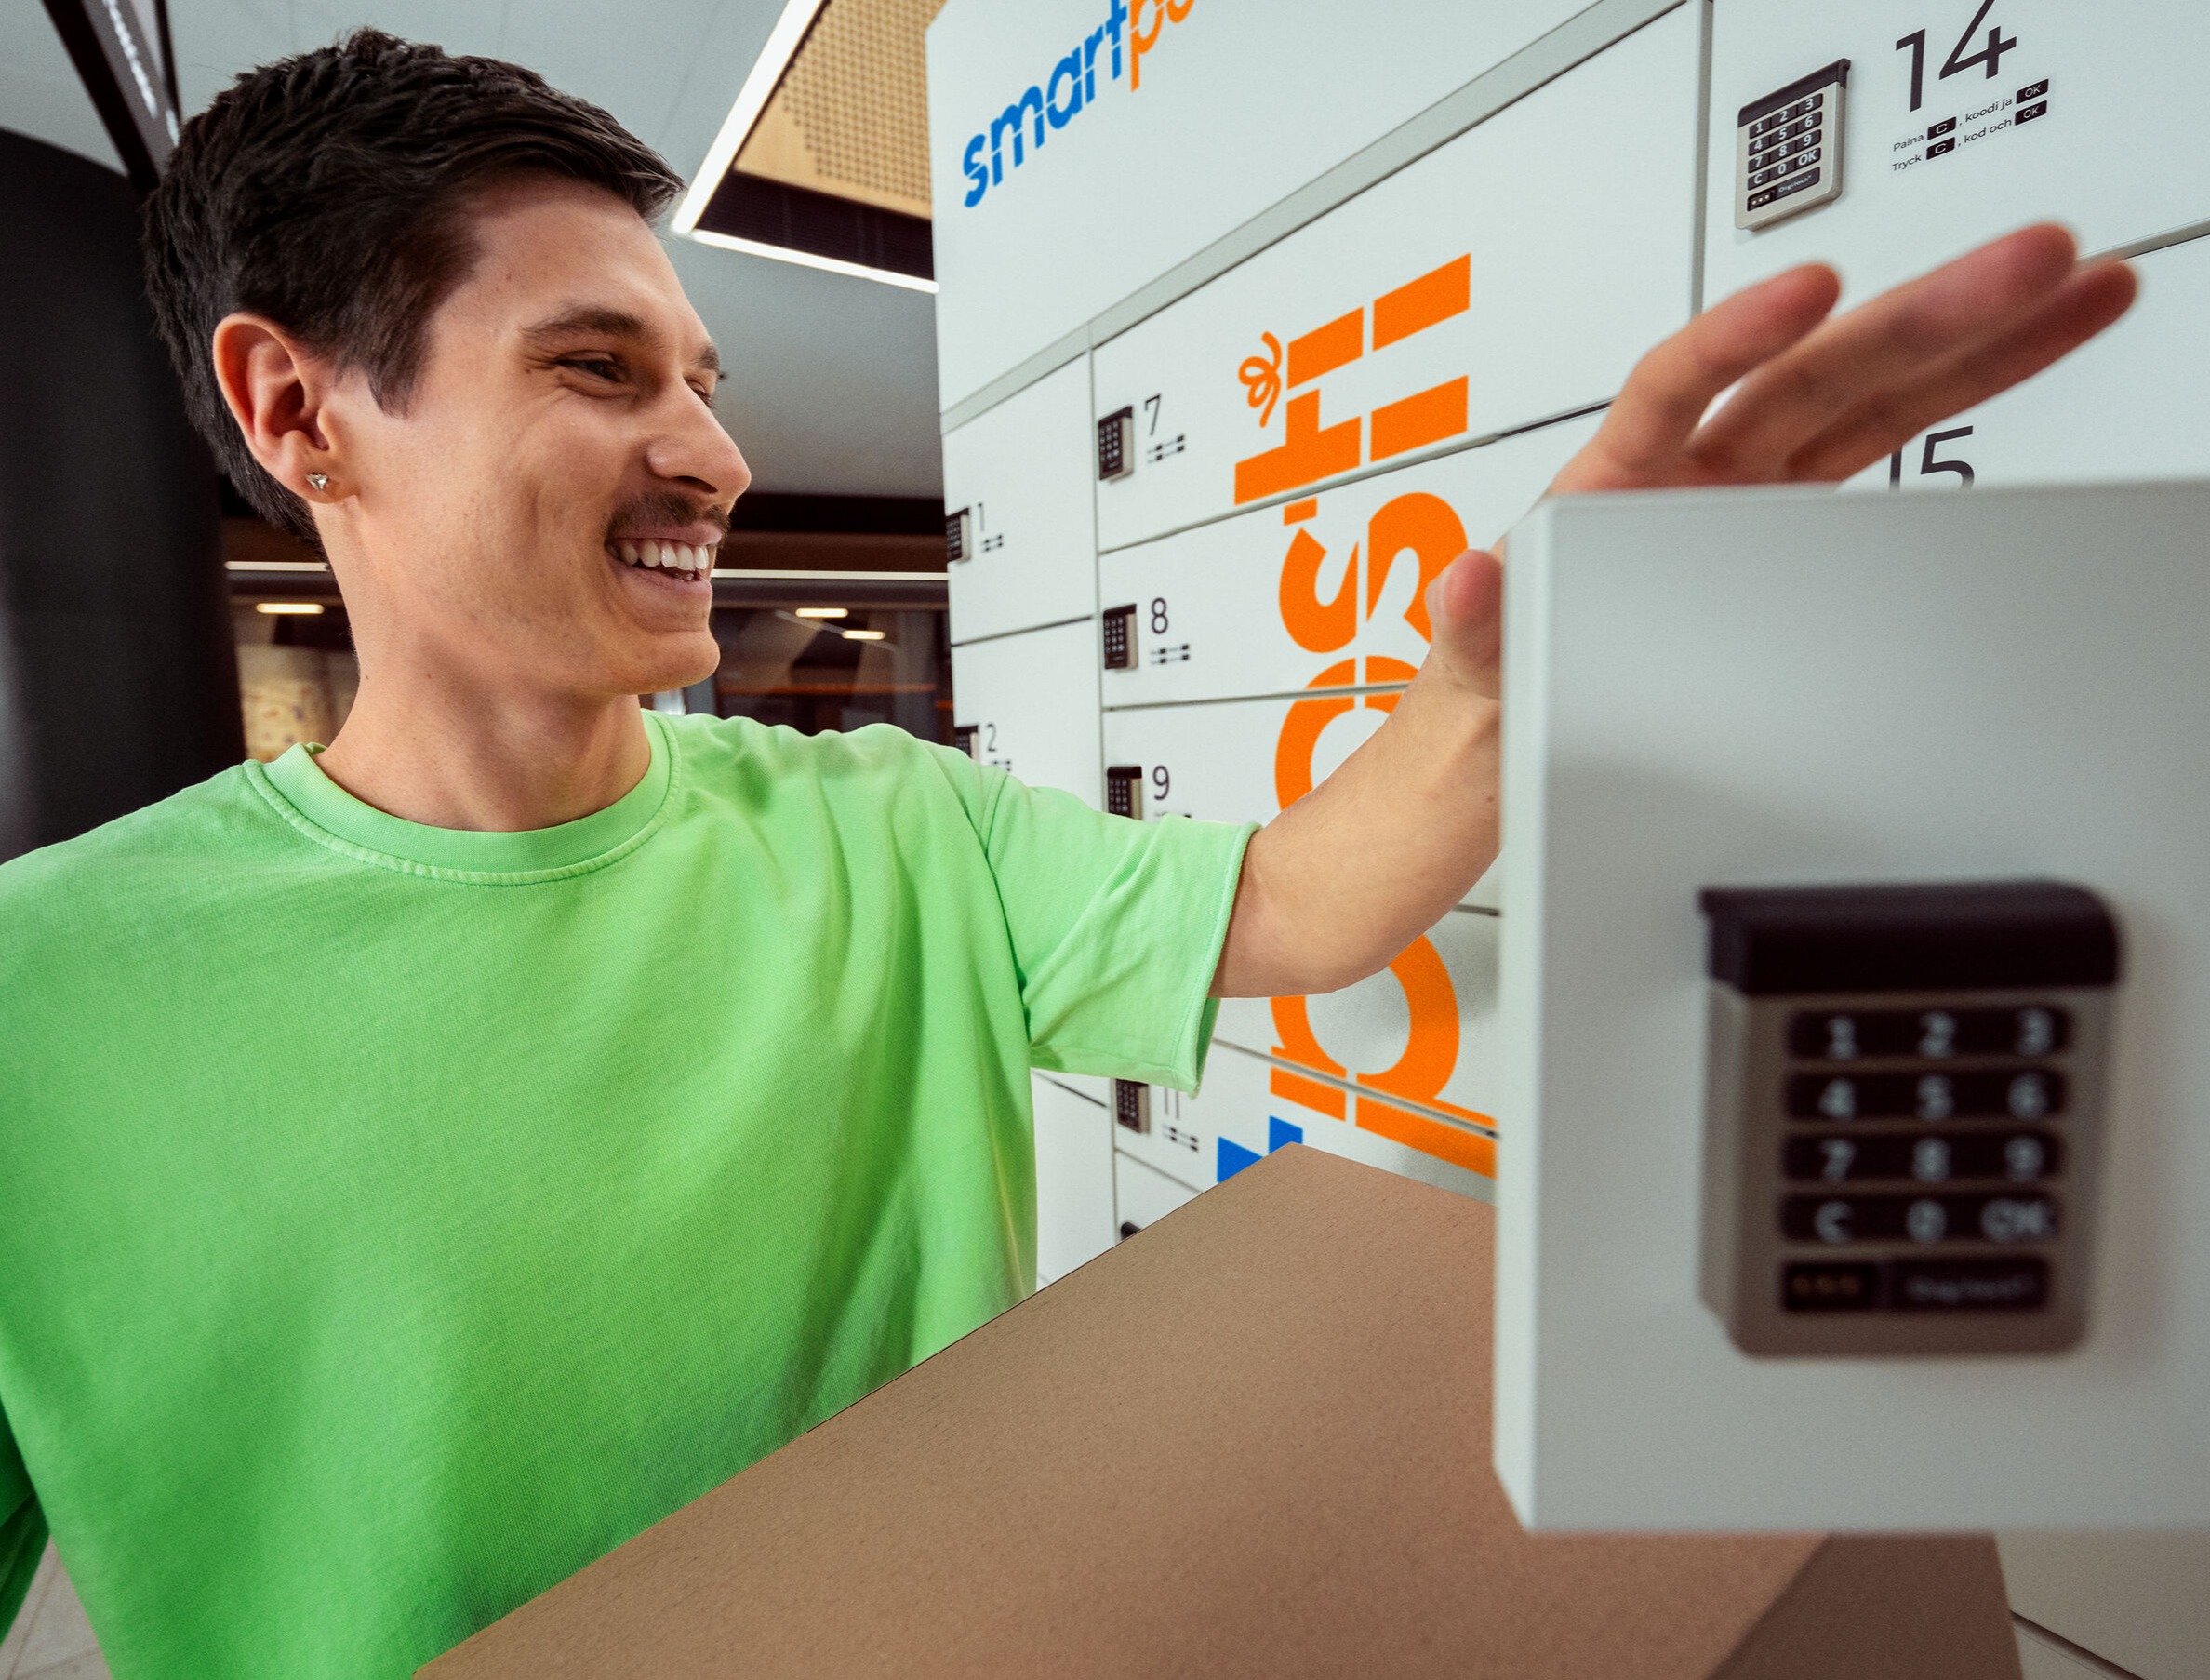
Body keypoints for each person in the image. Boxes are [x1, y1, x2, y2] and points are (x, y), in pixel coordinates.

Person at [0, 28, 2135, 1678]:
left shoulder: (889, 826)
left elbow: (1297, 901)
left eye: (708, 377)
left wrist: (1499, 697)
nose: (717, 455)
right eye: (596, 368)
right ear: (298, 415)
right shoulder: (40, 998)